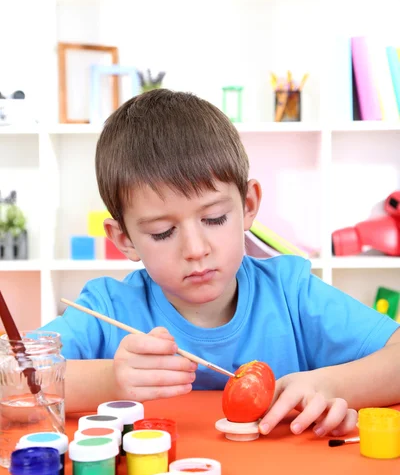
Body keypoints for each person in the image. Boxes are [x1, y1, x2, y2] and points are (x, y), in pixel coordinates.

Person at [44, 89, 400, 438]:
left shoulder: (291, 293)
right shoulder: (106, 308)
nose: (196, 249)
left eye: (214, 218)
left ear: (247, 205)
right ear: (124, 239)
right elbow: (9, 377)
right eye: (163, 231)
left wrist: (331, 383)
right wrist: (110, 380)